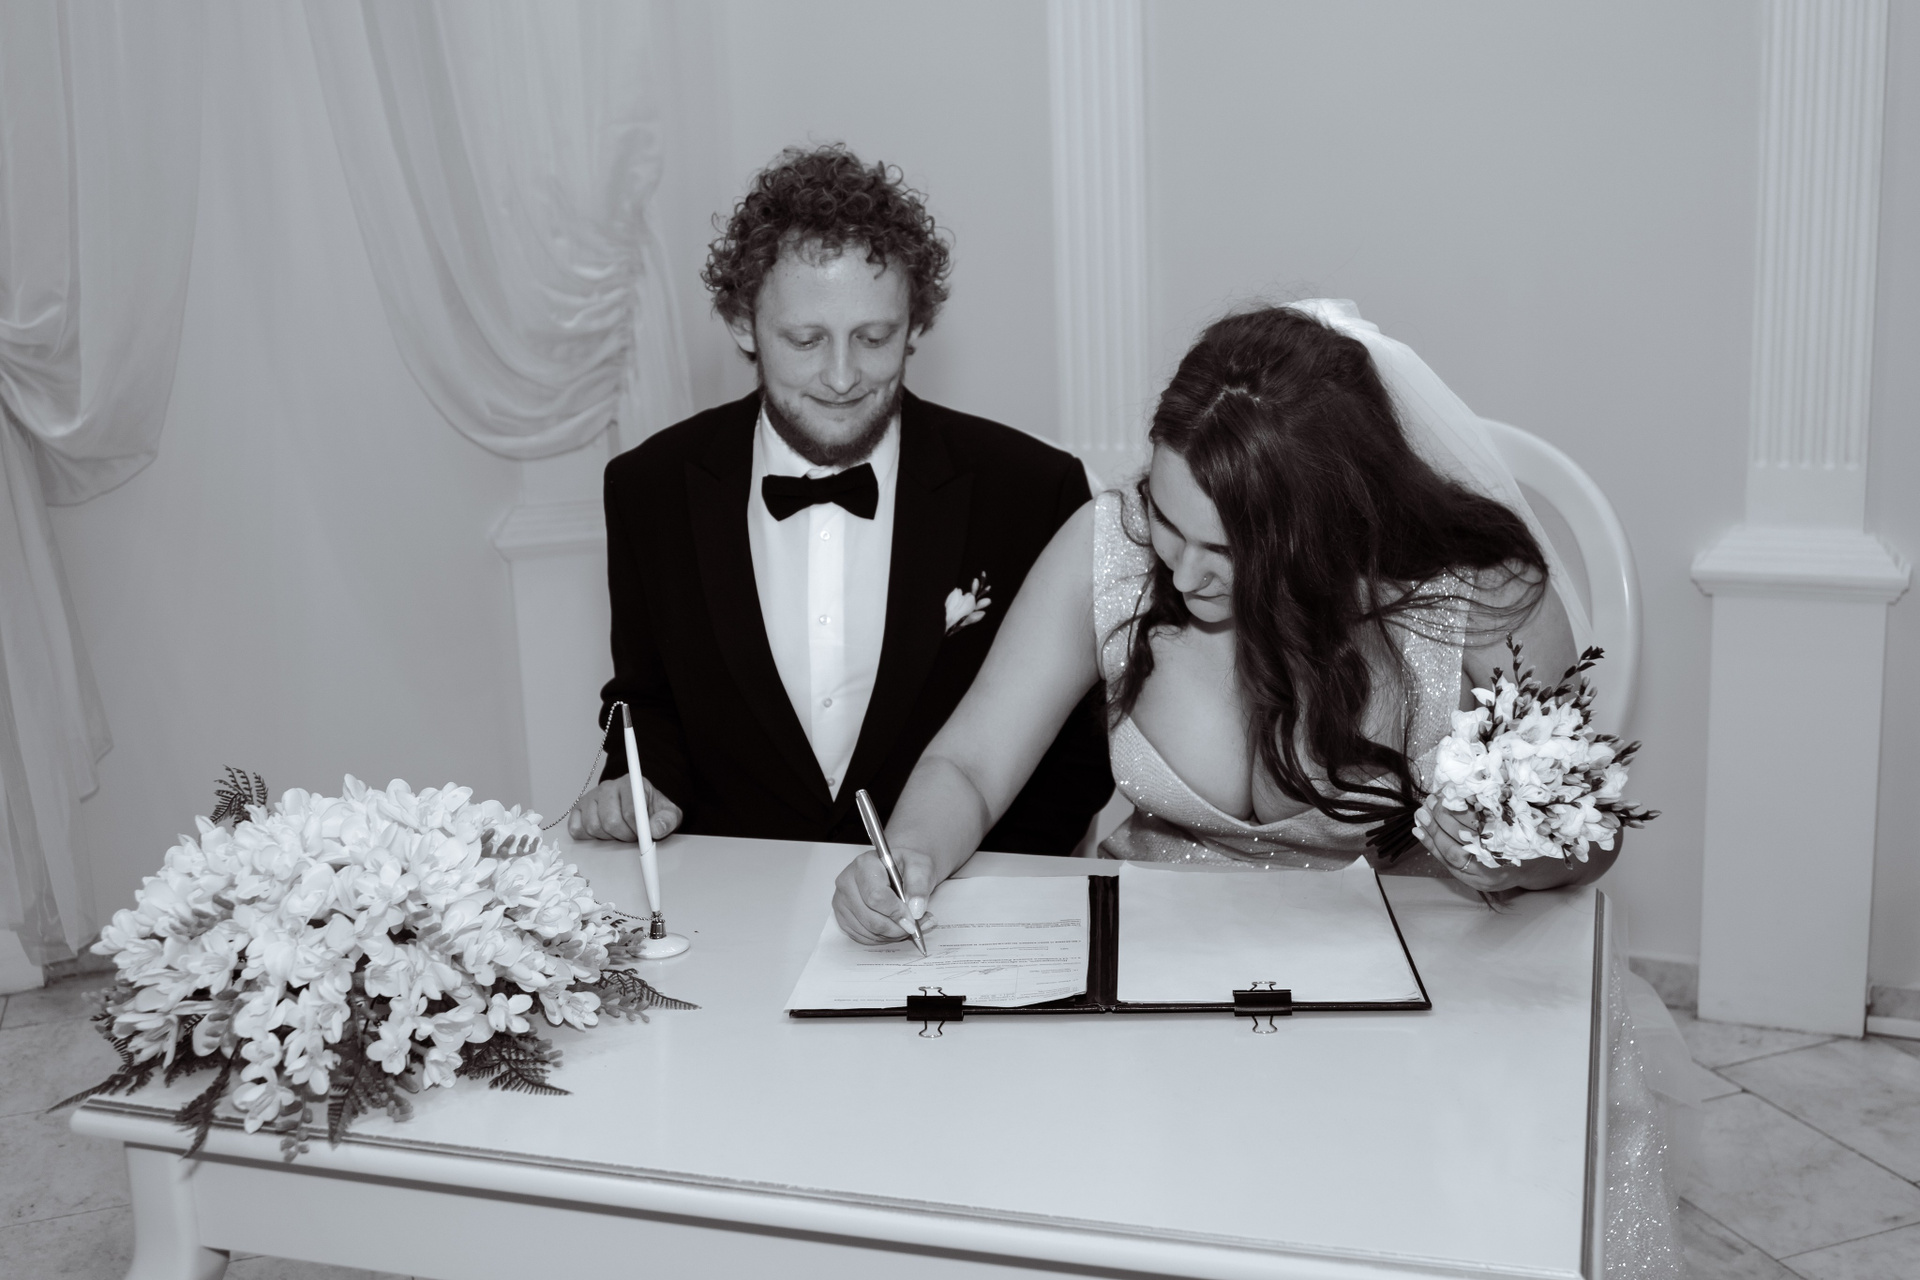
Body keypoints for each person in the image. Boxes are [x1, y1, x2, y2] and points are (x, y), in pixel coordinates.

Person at [832, 299, 1683, 1279]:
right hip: (1155, 980)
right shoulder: (1107, 548)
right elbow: (972, 763)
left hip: (1394, 990)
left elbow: (1586, 843)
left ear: (1329, 529)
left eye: (1229, 551)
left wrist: (1502, 847)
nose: (1182, 569)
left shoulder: (1476, 602)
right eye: (1168, 518)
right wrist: (911, 851)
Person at [569, 145, 1112, 852]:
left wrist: (952, 878)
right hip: (732, 897)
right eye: (805, 340)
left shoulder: (1032, 491)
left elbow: (1072, 749)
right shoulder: (650, 487)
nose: (842, 376)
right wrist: (639, 787)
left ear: (916, 324)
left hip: (958, 897)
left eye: (874, 337)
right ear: (742, 324)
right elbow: (647, 701)